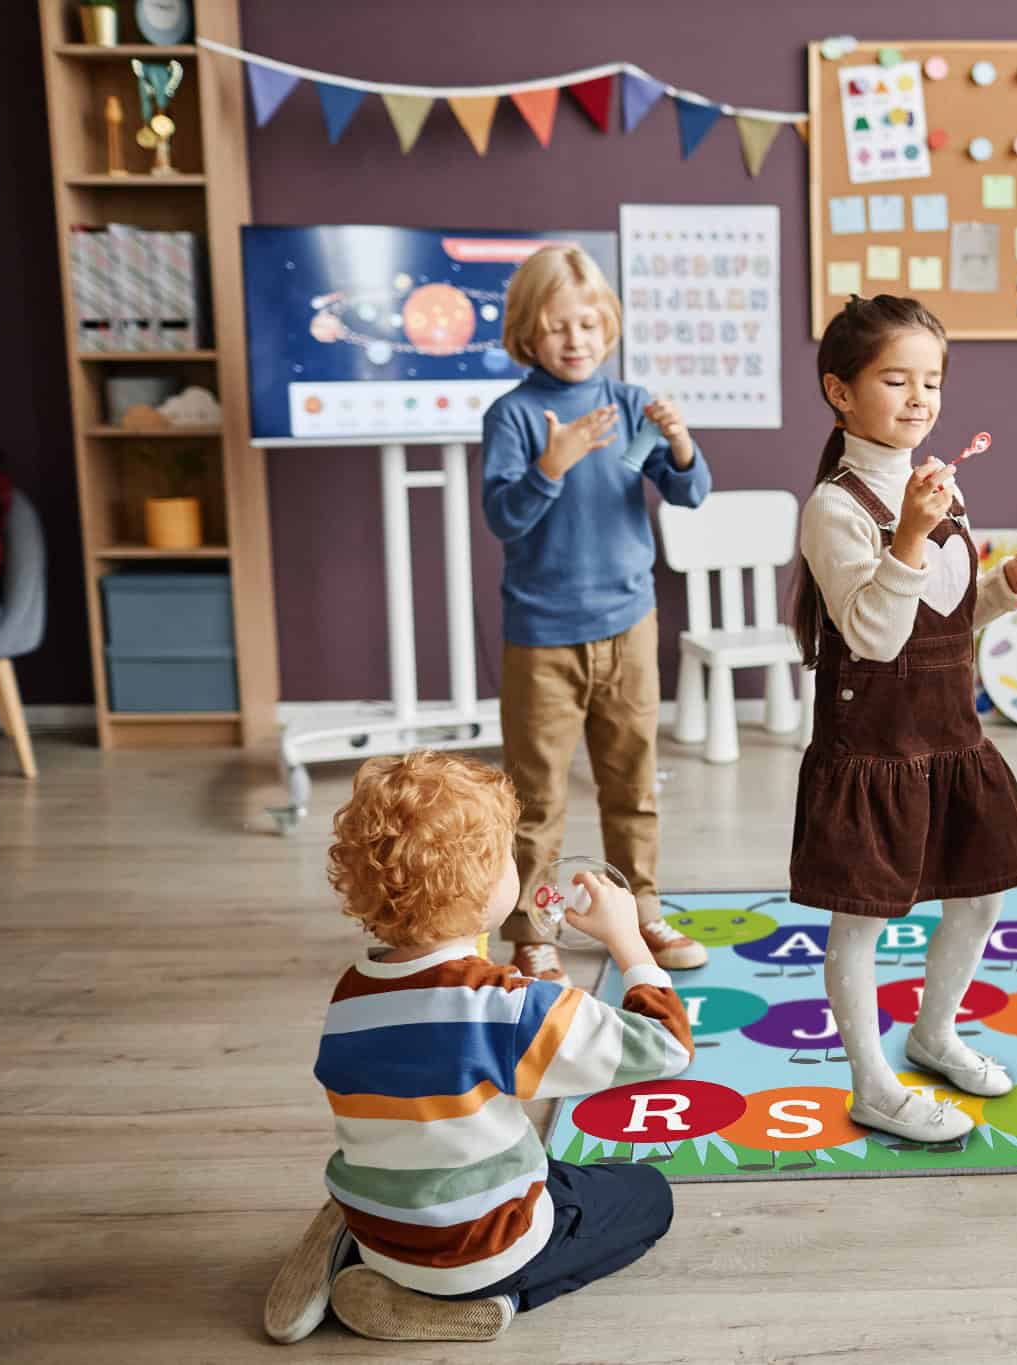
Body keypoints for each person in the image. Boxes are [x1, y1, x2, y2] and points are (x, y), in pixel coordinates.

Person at [263, 752, 694, 1343]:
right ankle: (482, 1300)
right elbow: (666, 1046)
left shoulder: (351, 993)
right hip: (484, 1249)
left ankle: (360, 1250)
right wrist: (626, 939)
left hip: (383, 1224)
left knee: (538, 1169)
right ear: (487, 884)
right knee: (647, 1196)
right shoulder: (505, 1007)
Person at [787, 294, 1017, 1143]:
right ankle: (872, 1083)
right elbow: (873, 635)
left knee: (980, 896)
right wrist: (908, 533)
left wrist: (1010, 585)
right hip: (873, 745)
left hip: (948, 734)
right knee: (862, 916)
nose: (918, 398)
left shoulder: (937, 487)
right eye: (895, 379)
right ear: (840, 392)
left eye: (931, 381)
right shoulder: (834, 507)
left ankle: (934, 1032)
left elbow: (947, 616)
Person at [480, 245, 712, 983]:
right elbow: (504, 517)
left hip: (629, 626)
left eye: (587, 324)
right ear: (527, 333)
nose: (574, 340)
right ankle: (532, 931)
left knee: (632, 785)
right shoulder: (513, 415)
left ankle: (639, 912)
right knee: (536, 796)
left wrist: (679, 443)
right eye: (556, 327)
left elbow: (689, 493)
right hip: (542, 637)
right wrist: (553, 464)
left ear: (608, 325)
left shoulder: (629, 404)